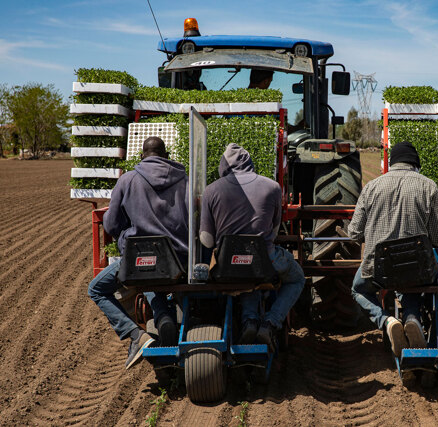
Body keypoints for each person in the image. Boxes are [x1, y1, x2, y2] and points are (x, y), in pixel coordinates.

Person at [88, 137, 189, 369]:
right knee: (154, 269)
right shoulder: (184, 179)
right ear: (166, 155)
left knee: (97, 289)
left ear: (142, 156)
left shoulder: (127, 180)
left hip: (140, 258)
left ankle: (137, 335)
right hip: (179, 259)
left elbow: (111, 225)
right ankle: (165, 317)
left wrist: (127, 236)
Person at [199, 143, 304, 352]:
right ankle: (270, 322)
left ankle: (249, 321)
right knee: (296, 278)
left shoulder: (210, 190)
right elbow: (274, 232)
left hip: (226, 265)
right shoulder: (273, 187)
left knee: (243, 273)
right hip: (264, 261)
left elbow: (206, 240)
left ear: (223, 166)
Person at [348, 141, 438, 357]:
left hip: (379, 269)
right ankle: (412, 318)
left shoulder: (371, 187)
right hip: (418, 268)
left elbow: (354, 233)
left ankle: (387, 320)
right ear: (415, 164)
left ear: (391, 163)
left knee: (358, 289)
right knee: (413, 280)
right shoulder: (429, 186)